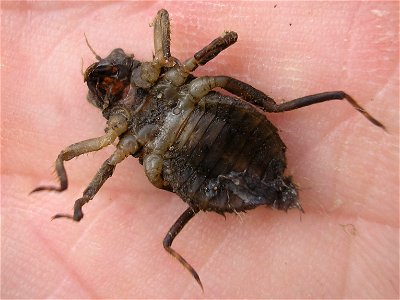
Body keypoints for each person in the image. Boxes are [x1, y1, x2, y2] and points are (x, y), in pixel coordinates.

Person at [2, 2, 397, 298]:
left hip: (201, 145)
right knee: (163, 159)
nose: (107, 81)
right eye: (103, 83)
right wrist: (80, 195)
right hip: (192, 138)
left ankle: (334, 111)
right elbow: (72, 155)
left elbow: (164, 16)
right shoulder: (127, 129)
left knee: (193, 131)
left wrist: (197, 52)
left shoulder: (129, 125)